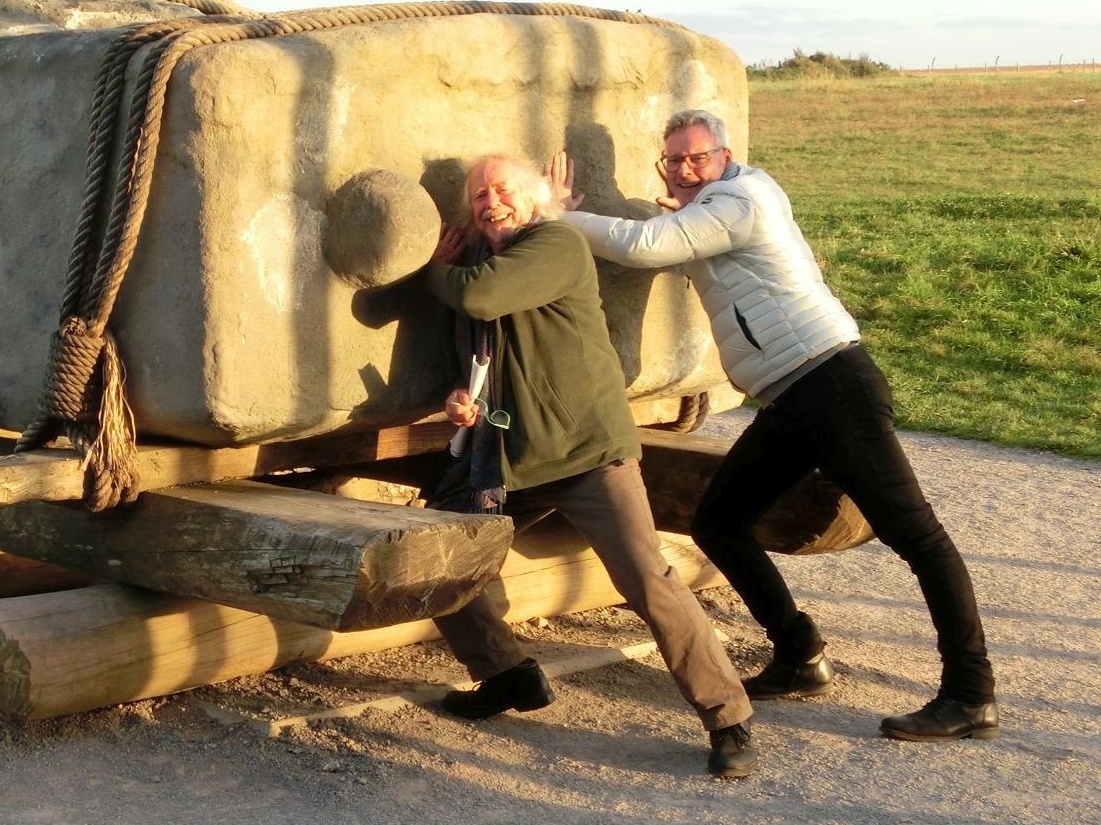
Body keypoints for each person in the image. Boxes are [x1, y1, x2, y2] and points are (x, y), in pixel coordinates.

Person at [552, 109, 998, 741]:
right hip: (791, 396)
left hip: (830, 383)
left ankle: (971, 693)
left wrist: (551, 214)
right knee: (720, 520)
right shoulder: (717, 203)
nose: (684, 169)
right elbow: (676, 238)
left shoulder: (743, 198)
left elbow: (648, 248)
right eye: (673, 160)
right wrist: (675, 212)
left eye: (697, 158)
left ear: (725, 156)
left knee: (917, 537)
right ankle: (798, 651)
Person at [424, 153, 756, 779]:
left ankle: (728, 717)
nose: (490, 201)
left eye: (503, 190)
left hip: (586, 452)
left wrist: (433, 270)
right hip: (513, 455)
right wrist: (464, 403)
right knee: (439, 555)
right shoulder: (480, 263)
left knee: (648, 581)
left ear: (534, 201)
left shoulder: (555, 243)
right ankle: (506, 676)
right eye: (477, 195)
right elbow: (485, 358)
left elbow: (482, 297)